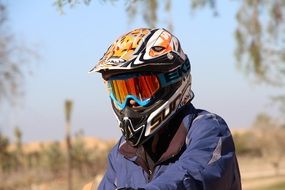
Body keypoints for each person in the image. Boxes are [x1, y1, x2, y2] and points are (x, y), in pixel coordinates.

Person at [88, 28, 242, 190]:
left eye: (141, 90)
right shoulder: (121, 153)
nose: (130, 102)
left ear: (173, 81)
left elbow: (191, 177)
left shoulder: (206, 129)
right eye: (121, 92)